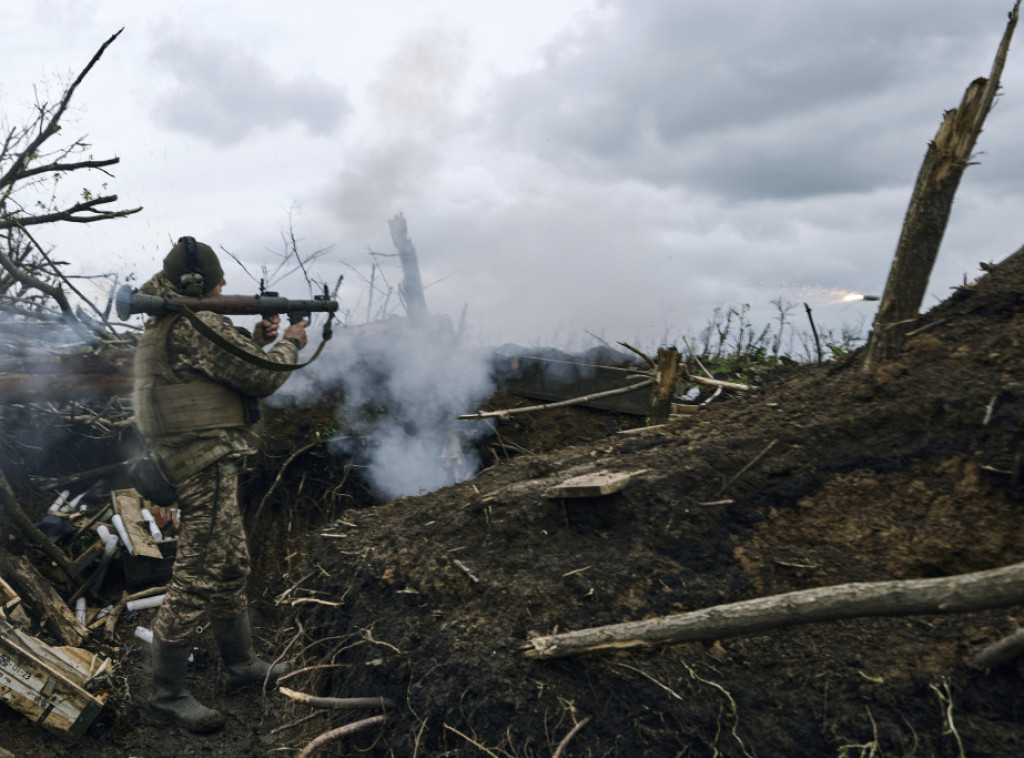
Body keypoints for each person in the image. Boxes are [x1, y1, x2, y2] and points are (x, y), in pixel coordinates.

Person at [132, 236, 308, 733]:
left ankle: (242, 667)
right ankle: (166, 694)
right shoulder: (195, 323)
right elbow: (262, 376)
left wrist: (254, 340)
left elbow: (215, 374)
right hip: (201, 463)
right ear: (195, 283)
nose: (225, 284)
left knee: (231, 563)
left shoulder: (170, 323)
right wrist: (290, 341)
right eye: (216, 279)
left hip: (197, 458)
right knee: (198, 574)